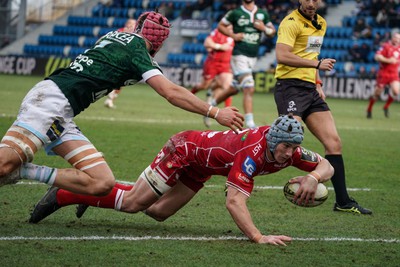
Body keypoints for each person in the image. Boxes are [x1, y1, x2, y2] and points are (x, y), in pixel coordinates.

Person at [0, 11, 244, 197]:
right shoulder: (138, 50)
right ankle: (13, 169)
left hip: (62, 112)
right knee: (3, 164)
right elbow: (170, 92)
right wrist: (214, 111)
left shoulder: (116, 36)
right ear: (159, 42)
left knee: (101, 183)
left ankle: (22, 172)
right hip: (51, 101)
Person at [29, 114, 334, 246]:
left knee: (157, 212)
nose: (289, 154)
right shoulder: (252, 152)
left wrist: (313, 177)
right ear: (272, 141)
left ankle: (90, 197)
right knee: (135, 203)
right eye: (285, 148)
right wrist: (258, 237)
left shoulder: (289, 149)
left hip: (201, 166)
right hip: (184, 150)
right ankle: (66, 194)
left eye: (294, 149)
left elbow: (326, 164)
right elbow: (234, 201)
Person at [273, 0, 372, 214]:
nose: (311, 3)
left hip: (310, 89)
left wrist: (317, 82)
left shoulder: (321, 23)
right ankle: (241, 171)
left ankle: (343, 202)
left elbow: (311, 54)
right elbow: (282, 55)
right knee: (285, 141)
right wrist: (317, 65)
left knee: (334, 143)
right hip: (289, 87)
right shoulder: (290, 22)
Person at [218, 0, 276, 129]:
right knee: (249, 87)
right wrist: (233, 35)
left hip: (253, 57)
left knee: (234, 89)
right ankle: (250, 123)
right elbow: (221, 26)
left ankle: (211, 103)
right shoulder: (235, 13)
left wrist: (264, 28)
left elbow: (272, 32)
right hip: (239, 55)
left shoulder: (262, 13)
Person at [190, 27, 236, 127]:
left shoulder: (236, 35)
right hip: (212, 63)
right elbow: (207, 43)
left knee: (227, 87)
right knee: (204, 85)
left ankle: (229, 115)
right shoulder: (218, 32)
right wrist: (219, 46)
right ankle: (189, 94)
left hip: (225, 65)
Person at [104, 18, 137, 109]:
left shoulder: (133, 34)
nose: (133, 25)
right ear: (127, 24)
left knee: (120, 82)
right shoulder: (120, 32)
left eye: (134, 24)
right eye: (132, 23)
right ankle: (109, 98)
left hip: (123, 60)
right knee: (116, 81)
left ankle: (110, 99)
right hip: (115, 59)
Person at [366, 31, 400, 119]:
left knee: (396, 91)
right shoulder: (386, 46)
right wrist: (389, 60)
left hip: (394, 74)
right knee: (377, 94)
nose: (397, 40)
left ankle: (386, 107)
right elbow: (377, 57)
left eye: (399, 39)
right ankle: (369, 109)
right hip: (383, 73)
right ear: (392, 38)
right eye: (396, 38)